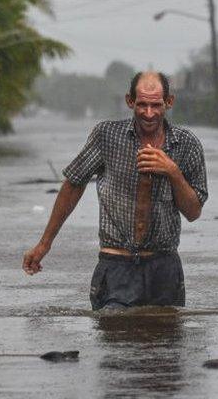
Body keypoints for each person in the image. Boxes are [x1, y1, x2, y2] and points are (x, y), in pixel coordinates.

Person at [22, 71, 208, 310]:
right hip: (116, 265)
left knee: (165, 343)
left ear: (169, 102)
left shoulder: (186, 144)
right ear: (129, 101)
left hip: (164, 268)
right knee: (114, 337)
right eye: (142, 105)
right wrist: (44, 244)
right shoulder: (107, 136)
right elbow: (73, 184)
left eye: (156, 105)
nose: (149, 113)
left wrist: (172, 171)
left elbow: (193, 212)